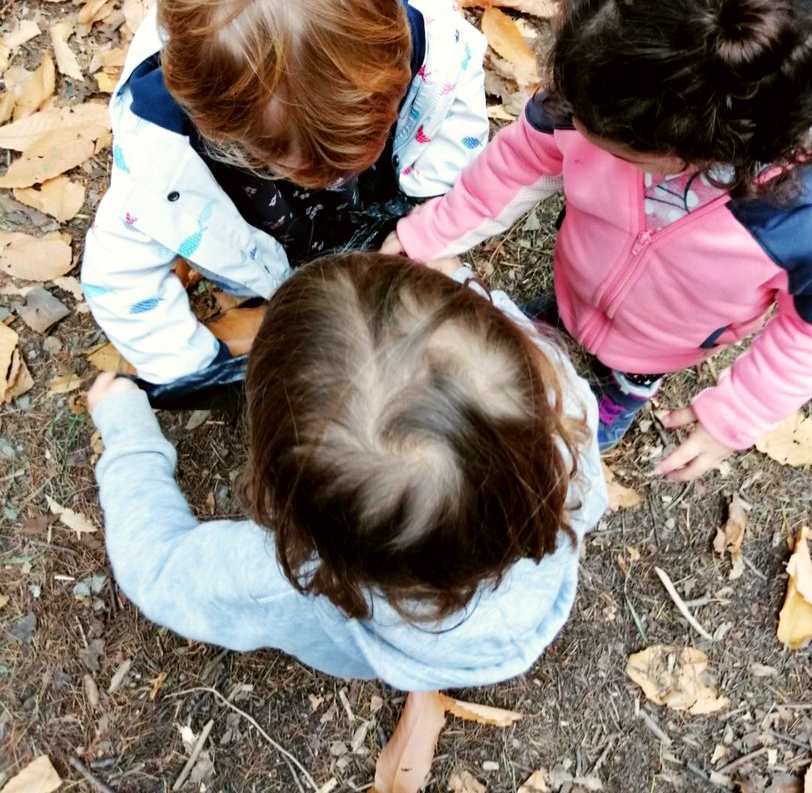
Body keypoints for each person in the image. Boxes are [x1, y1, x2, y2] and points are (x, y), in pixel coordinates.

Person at [384, 0, 812, 481]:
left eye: (615, 148)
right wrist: (433, 233)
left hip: (667, 338)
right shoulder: (607, 83)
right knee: (558, 314)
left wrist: (734, 415)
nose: (573, 127)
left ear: (710, 148)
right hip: (581, 274)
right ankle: (564, 318)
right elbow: (522, 158)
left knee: (632, 368)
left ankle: (623, 389)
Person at [86, 253, 606, 688]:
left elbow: (158, 569)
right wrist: (462, 282)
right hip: (528, 612)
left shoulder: (285, 578)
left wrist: (128, 433)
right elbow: (504, 356)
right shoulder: (567, 424)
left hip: (403, 650)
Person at [81, 0, 488, 402]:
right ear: (219, 130)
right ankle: (252, 291)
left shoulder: (431, 37)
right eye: (309, 166)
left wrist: (431, 208)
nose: (339, 174)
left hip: (376, 197)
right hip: (264, 231)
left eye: (374, 132)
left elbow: (456, 105)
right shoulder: (161, 163)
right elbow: (119, 280)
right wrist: (201, 368)